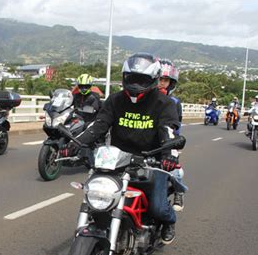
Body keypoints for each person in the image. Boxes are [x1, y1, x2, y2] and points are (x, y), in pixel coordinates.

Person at [77, 53, 182, 244]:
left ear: (153, 79)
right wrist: (75, 144)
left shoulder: (164, 103)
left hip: (152, 161)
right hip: (116, 160)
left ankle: (169, 222)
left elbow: (168, 131)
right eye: (132, 78)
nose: (136, 84)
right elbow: (99, 125)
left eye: (142, 79)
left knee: (158, 207)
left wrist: (169, 155)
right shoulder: (115, 100)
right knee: (96, 197)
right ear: (125, 77)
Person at [158, 58, 185, 212]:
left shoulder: (174, 102)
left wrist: (171, 141)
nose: (161, 83)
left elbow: (176, 127)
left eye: (165, 80)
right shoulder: (143, 100)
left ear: (171, 83)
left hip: (167, 140)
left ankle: (179, 191)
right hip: (144, 139)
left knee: (174, 167)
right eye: (159, 79)